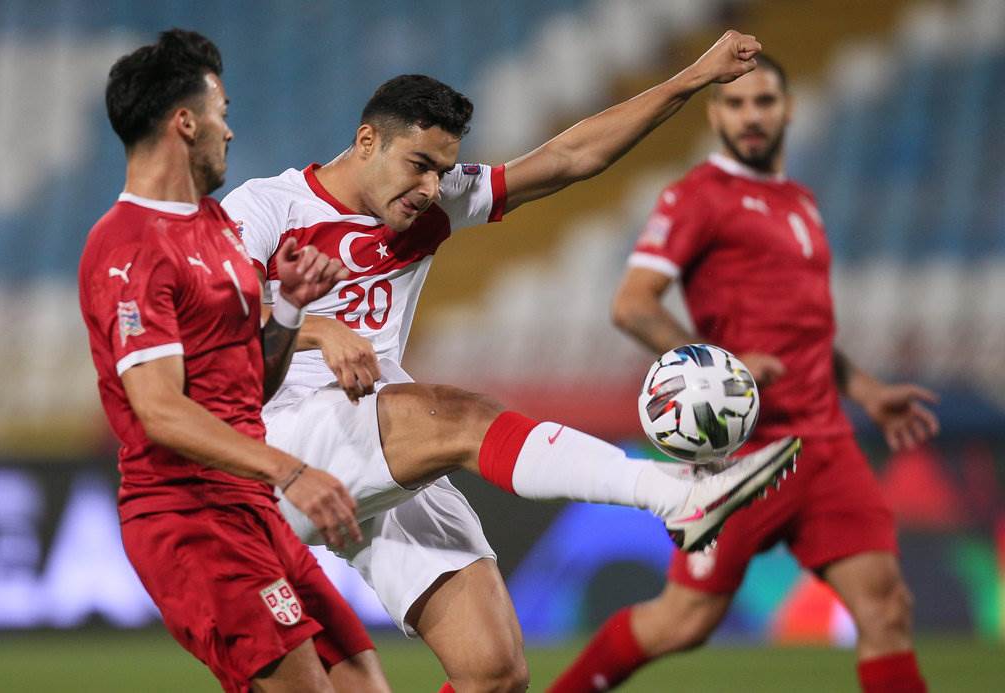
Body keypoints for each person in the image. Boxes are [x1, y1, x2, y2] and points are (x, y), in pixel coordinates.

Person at [222, 31, 800, 692]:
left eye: (442, 169)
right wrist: (317, 328)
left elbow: (570, 156)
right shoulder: (264, 209)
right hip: (275, 444)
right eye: (417, 164)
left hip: (375, 439)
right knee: (459, 415)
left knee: (494, 671)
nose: (430, 187)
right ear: (365, 142)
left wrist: (688, 80)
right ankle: (675, 493)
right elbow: (215, 325)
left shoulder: (430, 207)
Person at [548, 54, 938, 693]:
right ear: (714, 113)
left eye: (763, 102)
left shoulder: (800, 201)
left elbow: (806, 330)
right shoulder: (698, 195)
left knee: (887, 608)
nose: (750, 115)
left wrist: (867, 390)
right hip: (744, 454)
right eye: (736, 103)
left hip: (828, 443)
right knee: (682, 622)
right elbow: (633, 304)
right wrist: (718, 366)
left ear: (787, 110)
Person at [78, 29, 391, 693]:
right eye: (222, 112)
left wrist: (287, 311)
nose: (231, 132)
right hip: (187, 517)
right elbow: (159, 408)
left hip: (252, 507)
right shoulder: (127, 244)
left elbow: (251, 383)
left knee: (364, 679)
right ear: (184, 122)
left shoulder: (218, 227)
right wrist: (294, 468)